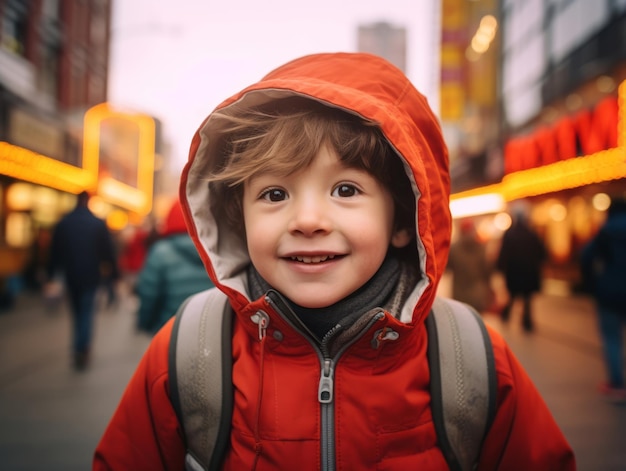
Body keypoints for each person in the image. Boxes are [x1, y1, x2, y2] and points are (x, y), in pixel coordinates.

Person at [94, 52, 574, 469]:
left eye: (346, 189)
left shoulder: (471, 358)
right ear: (239, 220)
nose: (307, 220)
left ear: (404, 219)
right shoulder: (187, 351)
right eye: (274, 193)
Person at [46, 191, 119, 370]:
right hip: (91, 275)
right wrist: (114, 274)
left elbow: (54, 252)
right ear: (88, 202)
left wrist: (50, 274)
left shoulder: (64, 223)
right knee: (86, 311)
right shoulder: (97, 224)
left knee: (77, 312)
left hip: (71, 275)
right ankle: (82, 347)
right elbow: (107, 252)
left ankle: (78, 345)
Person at [135, 199, 214, 334]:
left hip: (169, 331)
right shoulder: (217, 250)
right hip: (210, 332)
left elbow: (148, 294)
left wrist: (145, 323)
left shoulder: (160, 252)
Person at [580, 197, 626, 402]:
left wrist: (592, 283)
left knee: (612, 338)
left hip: (609, 291)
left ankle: (617, 383)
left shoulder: (605, 231)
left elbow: (586, 256)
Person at [496, 207, 546, 332]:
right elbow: (542, 253)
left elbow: (503, 253)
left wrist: (500, 268)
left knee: (513, 295)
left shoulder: (510, 234)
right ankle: (527, 322)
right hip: (529, 272)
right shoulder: (532, 234)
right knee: (527, 298)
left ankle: (506, 315)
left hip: (514, 272)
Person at [446, 219, 494, 313]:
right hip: (478, 292)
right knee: (476, 320)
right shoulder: (481, 248)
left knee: (461, 320)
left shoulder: (453, 249)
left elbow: (448, 268)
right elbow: (487, 271)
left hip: (459, 293)